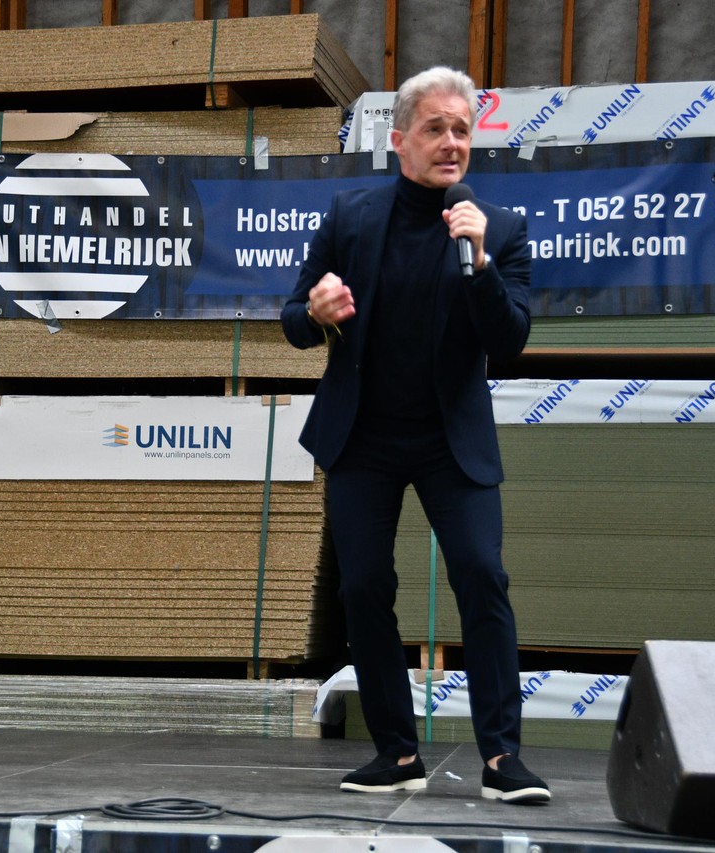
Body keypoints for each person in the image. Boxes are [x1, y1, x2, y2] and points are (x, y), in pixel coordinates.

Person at [281, 66, 549, 804]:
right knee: (364, 585)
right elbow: (292, 321)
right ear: (399, 140)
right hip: (363, 436)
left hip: (448, 439)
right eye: (436, 128)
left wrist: (483, 266)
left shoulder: (498, 227)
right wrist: (317, 310)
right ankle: (397, 752)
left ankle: (502, 758)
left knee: (482, 577)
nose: (452, 142)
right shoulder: (350, 215)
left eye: (462, 129)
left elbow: (512, 338)